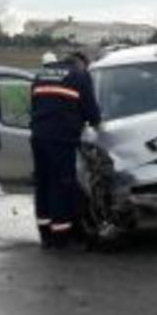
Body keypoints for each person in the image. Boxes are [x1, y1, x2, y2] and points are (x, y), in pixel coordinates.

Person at [30, 52, 101, 249]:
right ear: (83, 64)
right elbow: (92, 113)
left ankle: (46, 236)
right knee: (62, 185)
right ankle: (61, 237)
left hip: (38, 137)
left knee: (43, 184)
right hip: (61, 139)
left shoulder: (41, 75)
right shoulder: (80, 76)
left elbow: (36, 106)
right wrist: (96, 123)